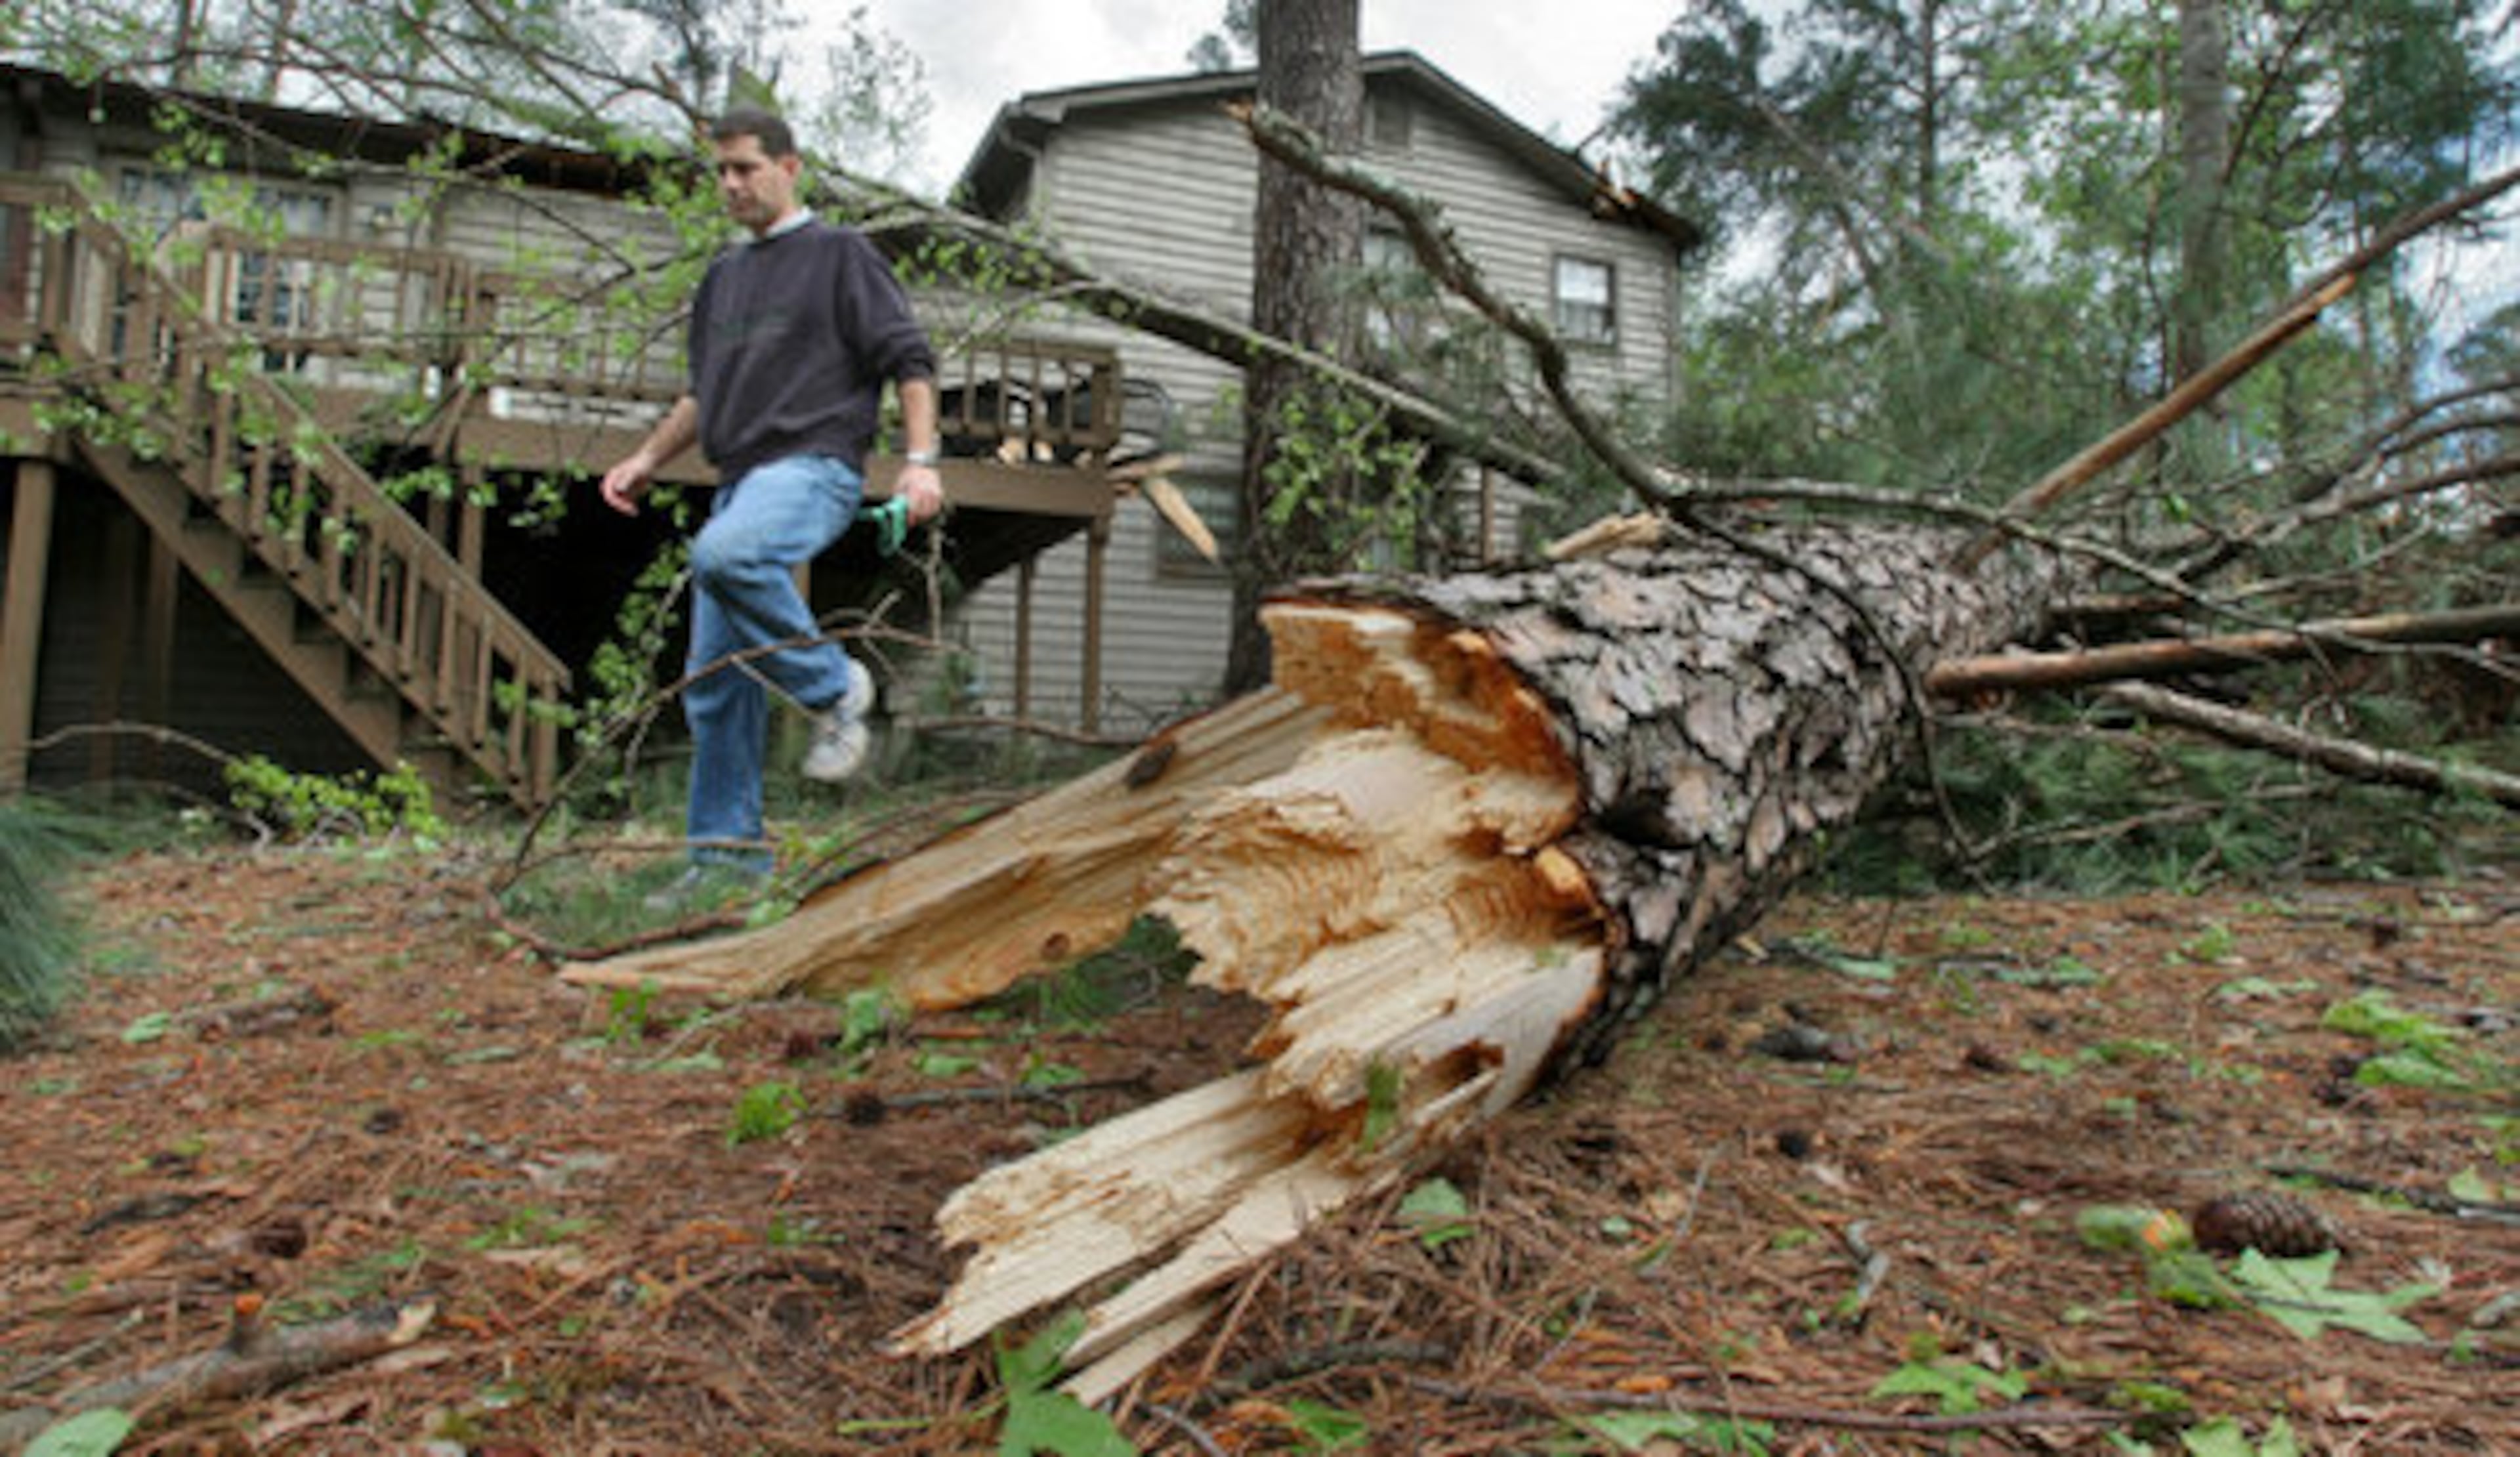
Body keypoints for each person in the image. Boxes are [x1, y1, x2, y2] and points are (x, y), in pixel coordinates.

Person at [600, 106, 944, 880]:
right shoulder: (723, 277)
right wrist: (647, 456)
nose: (731, 184)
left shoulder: (840, 255)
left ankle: (835, 688)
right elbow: (703, 394)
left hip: (813, 466)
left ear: (790, 168)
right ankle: (725, 864)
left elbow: (910, 361)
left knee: (726, 556)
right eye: (720, 171)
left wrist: (921, 461)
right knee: (716, 685)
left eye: (746, 167)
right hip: (740, 478)